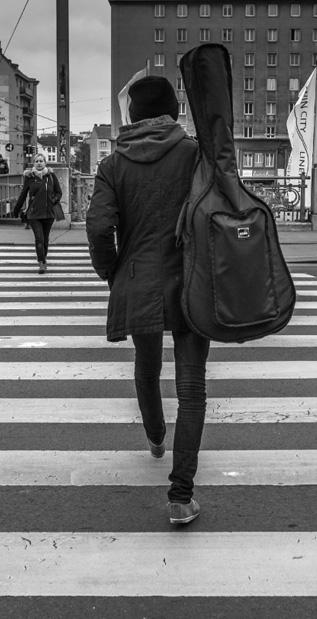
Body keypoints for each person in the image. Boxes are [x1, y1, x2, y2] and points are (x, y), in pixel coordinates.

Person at [85, 75, 205, 525]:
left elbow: (99, 227)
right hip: (191, 280)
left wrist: (111, 271)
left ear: (132, 116)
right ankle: (181, 496)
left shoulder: (114, 163)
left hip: (137, 278)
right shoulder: (195, 154)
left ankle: (156, 437)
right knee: (192, 388)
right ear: (173, 111)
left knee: (147, 365)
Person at [12, 153, 62, 274]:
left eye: (41, 161)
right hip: (34, 213)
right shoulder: (29, 177)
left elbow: (58, 192)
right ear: (33, 163)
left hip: (48, 213)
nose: (39, 163)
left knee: (45, 239)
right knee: (39, 238)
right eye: (37, 161)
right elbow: (23, 194)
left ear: (45, 163)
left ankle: (43, 258)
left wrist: (54, 200)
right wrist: (16, 210)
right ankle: (41, 262)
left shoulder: (51, 176)